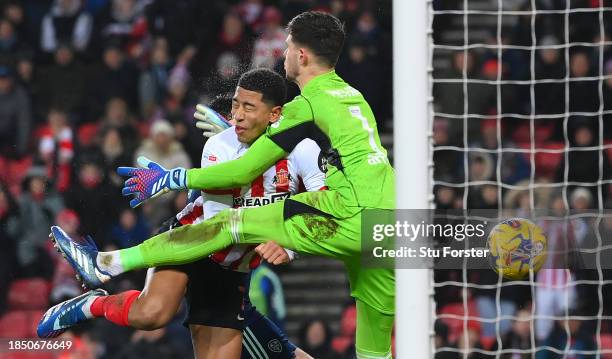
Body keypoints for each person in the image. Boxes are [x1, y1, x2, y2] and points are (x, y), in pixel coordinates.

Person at [46, 11, 395, 358]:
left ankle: (105, 265)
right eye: (236, 107)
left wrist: (174, 178)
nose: (283, 53)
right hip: (388, 219)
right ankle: (103, 273)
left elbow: (244, 176)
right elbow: (228, 201)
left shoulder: (301, 113)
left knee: (230, 231)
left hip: (293, 236)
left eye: (288, 47)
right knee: (374, 348)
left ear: (301, 56)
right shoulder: (352, 96)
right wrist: (236, 140)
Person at [40, 69, 320, 359]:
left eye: (249, 107)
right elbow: (217, 227)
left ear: (274, 114)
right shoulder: (219, 145)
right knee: (152, 315)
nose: (237, 115)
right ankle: (92, 305)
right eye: (235, 104)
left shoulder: (304, 150)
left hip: (230, 272)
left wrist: (288, 245)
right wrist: (280, 233)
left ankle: (105, 268)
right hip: (189, 241)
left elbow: (322, 206)